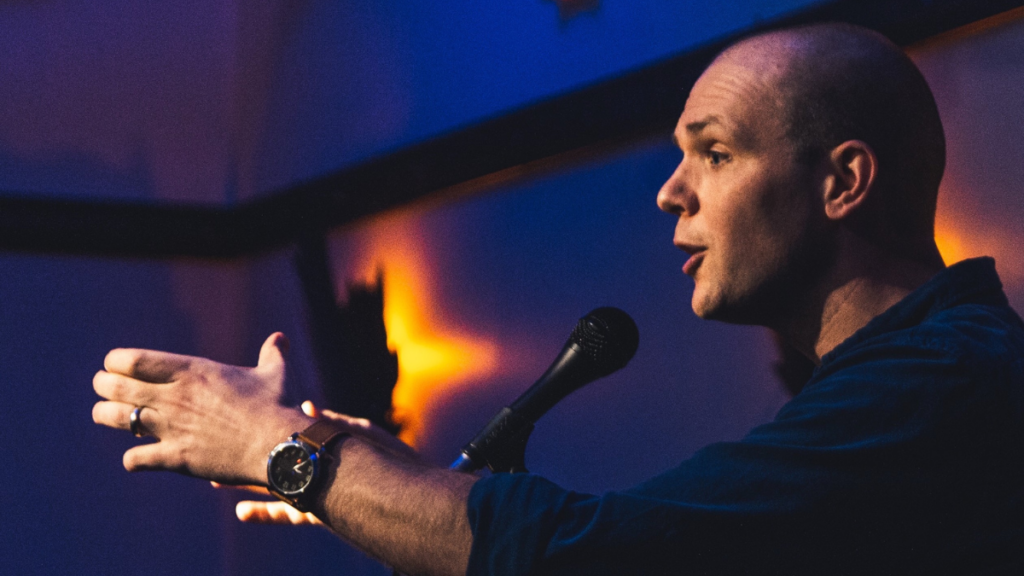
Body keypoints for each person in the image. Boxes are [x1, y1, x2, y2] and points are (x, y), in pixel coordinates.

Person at [92, 22, 1024, 575]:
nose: (672, 190)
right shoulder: (911, 380)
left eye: (716, 152)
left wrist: (286, 452)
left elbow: (598, 555)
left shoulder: (940, 384)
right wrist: (369, 472)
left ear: (844, 181)